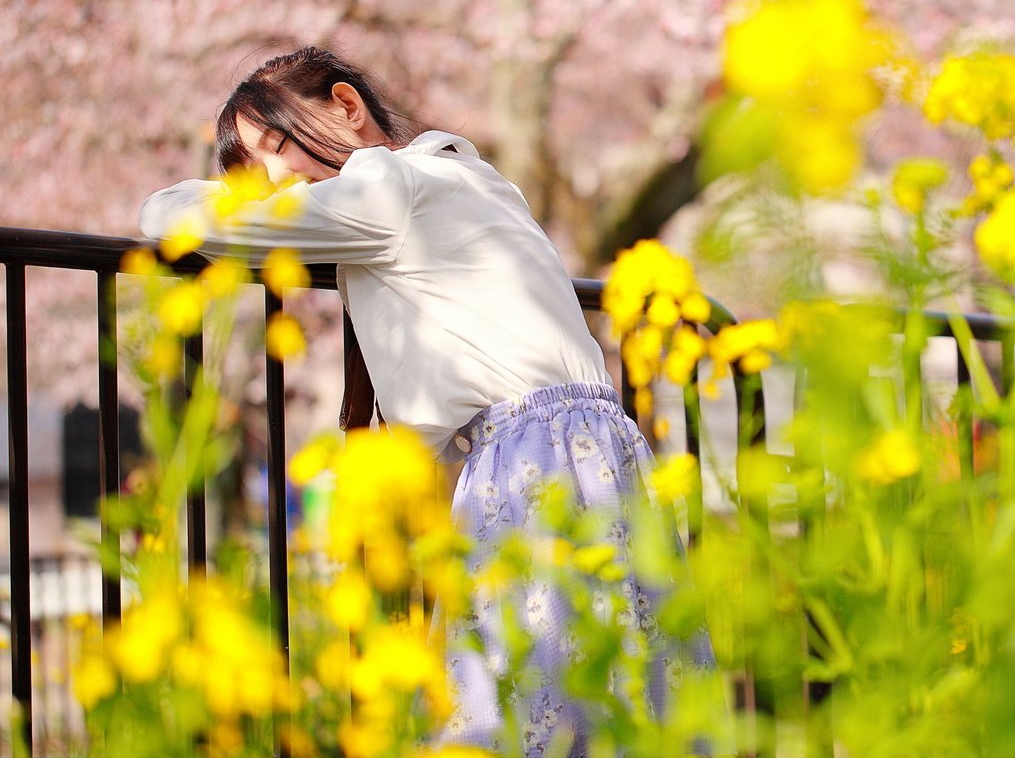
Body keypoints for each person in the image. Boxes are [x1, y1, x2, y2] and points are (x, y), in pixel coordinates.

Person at [139, 46, 714, 754]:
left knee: (514, 700)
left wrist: (179, 201)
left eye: (277, 149)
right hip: (591, 450)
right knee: (615, 686)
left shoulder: (387, 184)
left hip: (532, 460)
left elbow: (180, 219)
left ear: (347, 107)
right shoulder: (463, 176)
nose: (271, 184)